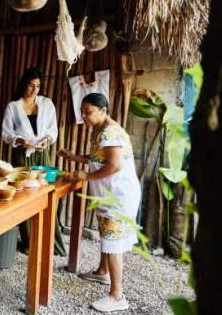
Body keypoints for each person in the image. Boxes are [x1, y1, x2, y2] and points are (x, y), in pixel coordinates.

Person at [57, 93, 140, 312]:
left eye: (88, 111)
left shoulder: (110, 132)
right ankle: (102, 272)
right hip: (110, 195)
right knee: (107, 236)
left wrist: (86, 177)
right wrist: (74, 157)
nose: (84, 116)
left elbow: (114, 165)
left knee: (113, 244)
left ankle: (117, 296)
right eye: (82, 111)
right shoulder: (101, 129)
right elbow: (98, 158)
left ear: (103, 111)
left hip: (119, 197)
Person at [1, 67, 66, 256]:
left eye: (38, 86)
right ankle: (29, 241)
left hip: (42, 155)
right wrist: (20, 140)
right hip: (22, 155)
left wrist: (47, 139)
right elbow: (6, 133)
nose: (34, 90)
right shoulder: (13, 106)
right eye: (31, 85)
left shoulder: (47, 104)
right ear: (24, 84)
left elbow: (52, 130)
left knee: (45, 194)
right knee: (25, 196)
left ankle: (50, 241)